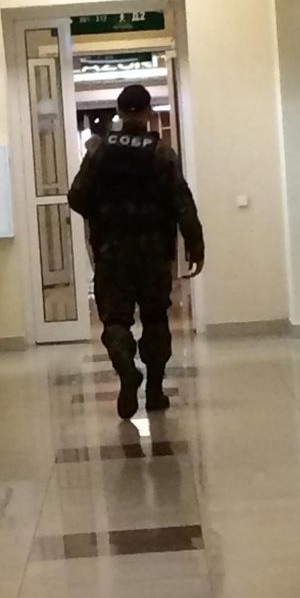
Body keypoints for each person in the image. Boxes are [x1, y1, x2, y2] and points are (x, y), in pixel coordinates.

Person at [69, 85, 205, 419]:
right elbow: (182, 201)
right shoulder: (161, 153)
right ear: (147, 112)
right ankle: (155, 391)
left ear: (118, 111)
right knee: (155, 318)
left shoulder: (100, 151)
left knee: (115, 320)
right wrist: (195, 243)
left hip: (112, 252)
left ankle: (127, 372)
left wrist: (103, 215)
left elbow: (77, 196)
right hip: (154, 253)